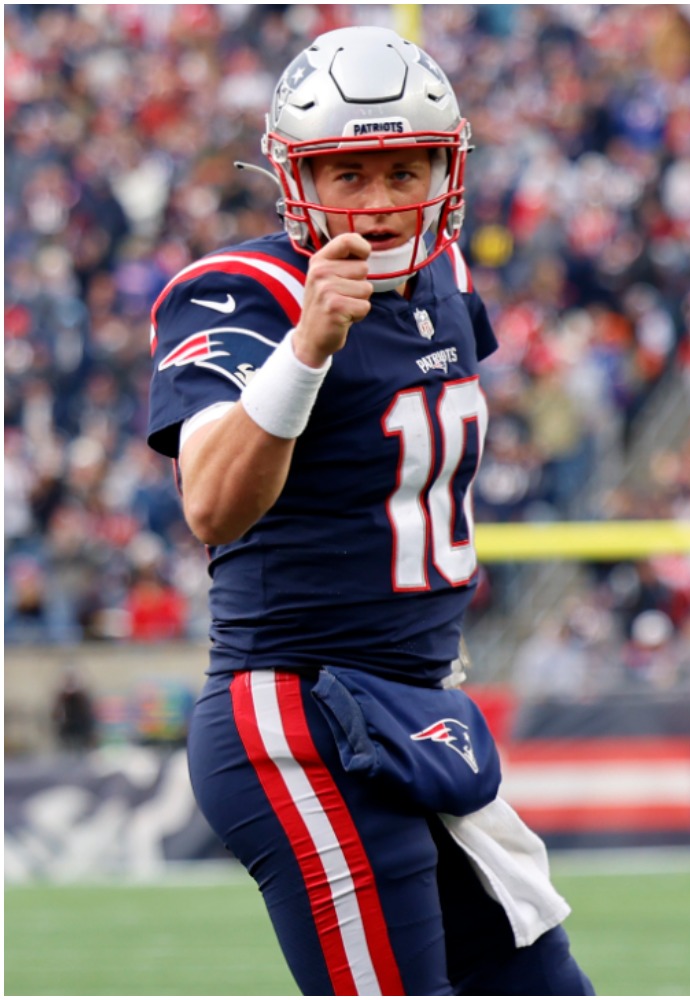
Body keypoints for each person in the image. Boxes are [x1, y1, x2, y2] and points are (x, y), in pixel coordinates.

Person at [146, 26, 592, 996]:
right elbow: (213, 504)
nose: (383, 204)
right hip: (295, 717)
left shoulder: (450, 279)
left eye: (406, 168)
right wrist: (306, 348)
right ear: (295, 175)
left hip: (414, 709)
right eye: (349, 174)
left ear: (449, 164)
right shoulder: (241, 292)